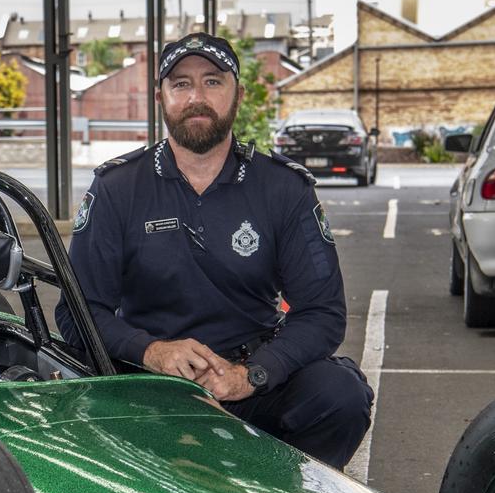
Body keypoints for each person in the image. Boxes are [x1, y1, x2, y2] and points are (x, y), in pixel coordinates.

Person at [54, 32, 373, 470]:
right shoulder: (117, 188)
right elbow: (78, 311)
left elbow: (322, 312)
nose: (196, 97)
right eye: (181, 84)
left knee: (341, 394)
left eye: (212, 81)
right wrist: (152, 352)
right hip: (149, 382)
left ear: (237, 95)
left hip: (250, 377)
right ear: (160, 98)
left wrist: (252, 375)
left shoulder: (283, 188)